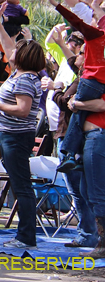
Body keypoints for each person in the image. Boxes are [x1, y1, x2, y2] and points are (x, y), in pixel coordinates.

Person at [0, 5, 45, 248]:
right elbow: (9, 47)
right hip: (10, 136)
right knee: (20, 183)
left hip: (17, 138)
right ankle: (24, 234)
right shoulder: (19, 73)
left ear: (24, 57)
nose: (10, 52)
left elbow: (23, 110)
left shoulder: (27, 79)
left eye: (17, 51)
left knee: (22, 186)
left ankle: (26, 237)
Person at [41, 0, 105, 173]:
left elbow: (76, 20)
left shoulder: (95, 35)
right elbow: (96, 14)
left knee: (77, 111)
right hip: (100, 83)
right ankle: (74, 154)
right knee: (80, 112)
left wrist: (56, 4)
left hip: (91, 81)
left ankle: (70, 153)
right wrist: (94, 3)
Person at [51, 48, 100, 249]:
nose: (76, 55)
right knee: (82, 190)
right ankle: (88, 233)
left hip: (83, 140)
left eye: (81, 51)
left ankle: (89, 233)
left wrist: (57, 90)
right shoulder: (81, 77)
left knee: (84, 191)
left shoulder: (86, 81)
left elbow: (66, 103)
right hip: (77, 139)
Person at [67, 78, 105, 258]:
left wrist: (77, 103)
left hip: (99, 136)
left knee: (96, 194)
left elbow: (102, 105)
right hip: (91, 137)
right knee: (87, 190)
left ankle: (103, 245)